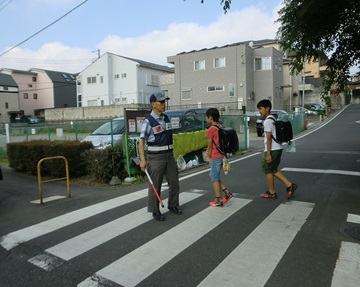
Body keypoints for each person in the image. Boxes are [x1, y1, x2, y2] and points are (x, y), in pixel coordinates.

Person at [139, 92, 182, 221]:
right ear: (153, 104)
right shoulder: (148, 121)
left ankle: (173, 205)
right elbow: (141, 140)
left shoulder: (166, 118)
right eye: (161, 102)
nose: (164, 104)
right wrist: (142, 159)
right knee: (155, 185)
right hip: (156, 158)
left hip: (169, 156)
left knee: (174, 182)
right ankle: (155, 211)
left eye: (164, 102)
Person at [257, 99, 298, 199]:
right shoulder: (273, 119)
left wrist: (268, 153)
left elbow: (269, 137)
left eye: (261, 109)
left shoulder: (267, 121)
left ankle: (272, 192)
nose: (259, 111)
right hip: (278, 147)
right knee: (273, 169)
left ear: (267, 108)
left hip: (273, 149)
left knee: (267, 170)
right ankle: (289, 185)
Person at [205, 108, 232, 207]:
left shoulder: (211, 129)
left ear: (210, 118)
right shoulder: (219, 127)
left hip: (215, 156)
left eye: (206, 117)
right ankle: (227, 192)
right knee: (213, 175)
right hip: (221, 155)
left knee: (214, 178)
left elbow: (210, 144)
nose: (206, 119)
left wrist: (209, 157)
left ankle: (218, 200)